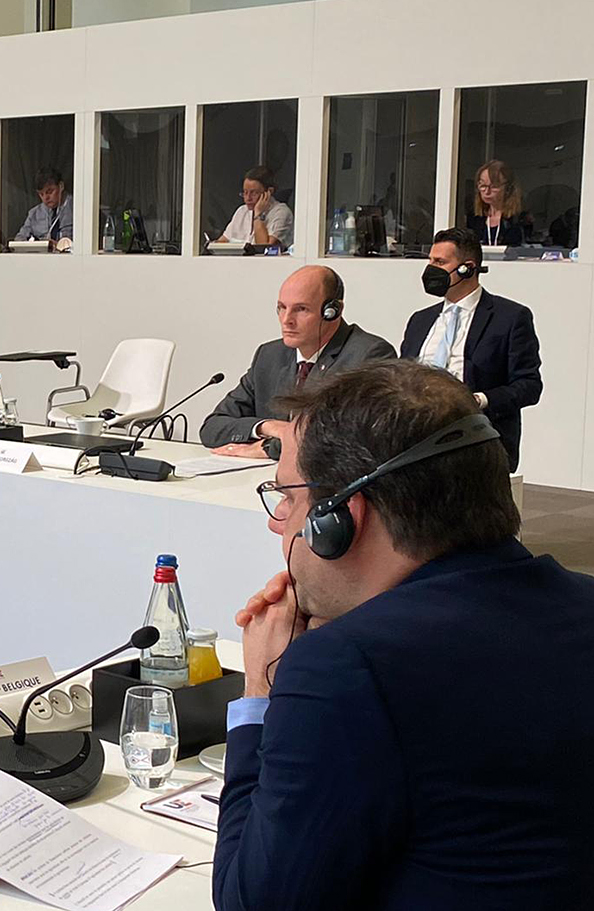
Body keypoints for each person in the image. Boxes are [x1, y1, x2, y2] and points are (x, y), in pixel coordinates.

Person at [214, 359, 594, 910]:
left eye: (288, 496)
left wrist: (261, 692)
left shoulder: (345, 666)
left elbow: (253, 901)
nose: (279, 521)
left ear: (340, 520)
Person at [201, 266, 395, 456]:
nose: (287, 320)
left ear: (332, 312)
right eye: (282, 308)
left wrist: (270, 448)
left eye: (301, 309)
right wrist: (267, 427)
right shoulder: (269, 355)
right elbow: (212, 428)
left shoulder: (368, 355)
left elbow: (353, 439)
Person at [400, 227, 541, 472]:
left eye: (440, 262)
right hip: (417, 437)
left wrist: (479, 400)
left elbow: (529, 385)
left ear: (467, 268)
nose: (430, 269)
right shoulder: (420, 320)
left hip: (476, 437)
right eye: (430, 261)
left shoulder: (510, 317)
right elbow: (401, 377)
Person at [217, 166, 294, 249]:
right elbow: (222, 241)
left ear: (269, 192)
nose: (248, 198)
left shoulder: (281, 212)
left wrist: (258, 215)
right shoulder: (242, 211)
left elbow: (264, 247)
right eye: (245, 192)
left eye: (253, 193)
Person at [467, 159, 526, 247]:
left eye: (494, 186)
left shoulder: (517, 219)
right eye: (483, 185)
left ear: (508, 188)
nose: (487, 191)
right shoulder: (475, 219)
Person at [12, 167, 73, 244]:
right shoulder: (34, 214)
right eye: (41, 194)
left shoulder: (75, 208)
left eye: (50, 192)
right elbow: (19, 239)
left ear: (61, 186)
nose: (45, 198)